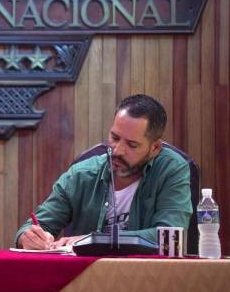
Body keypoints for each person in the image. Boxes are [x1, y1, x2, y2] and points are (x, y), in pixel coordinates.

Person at [16, 94, 192, 249]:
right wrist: (28, 238)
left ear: (155, 148)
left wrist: (97, 240)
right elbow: (35, 226)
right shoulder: (81, 174)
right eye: (114, 138)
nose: (117, 150)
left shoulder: (172, 170)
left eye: (132, 145)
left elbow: (171, 236)